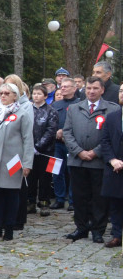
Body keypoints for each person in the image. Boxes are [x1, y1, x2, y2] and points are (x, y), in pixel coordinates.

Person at [63, 77, 119, 243]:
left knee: (98, 198)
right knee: (79, 196)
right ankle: (81, 227)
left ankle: (97, 229)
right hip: (77, 160)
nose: (91, 91)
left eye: (95, 88)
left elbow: (111, 137)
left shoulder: (111, 109)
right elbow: (67, 133)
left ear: (102, 90)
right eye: (88, 88)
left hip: (99, 162)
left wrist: (95, 152)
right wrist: (79, 151)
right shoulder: (74, 108)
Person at [0, 82, 33, 241]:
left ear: (15, 96)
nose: (3, 96)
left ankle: (9, 227)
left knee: (11, 195)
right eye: (1, 93)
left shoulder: (22, 114)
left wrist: (27, 163)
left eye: (7, 93)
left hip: (13, 161)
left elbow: (28, 140)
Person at [28, 83, 58, 216]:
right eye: (34, 93)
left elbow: (51, 130)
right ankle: (30, 202)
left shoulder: (51, 111)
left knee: (45, 177)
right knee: (31, 177)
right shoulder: (28, 109)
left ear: (45, 96)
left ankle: (44, 202)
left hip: (46, 151)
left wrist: (39, 146)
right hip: (29, 150)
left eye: (39, 94)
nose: (36, 96)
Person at [51, 76, 81, 209]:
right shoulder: (55, 105)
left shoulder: (80, 104)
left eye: (66, 86)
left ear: (74, 88)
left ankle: (73, 201)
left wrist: (66, 133)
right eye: (61, 86)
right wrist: (56, 131)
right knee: (55, 171)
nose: (62, 88)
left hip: (72, 144)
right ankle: (59, 198)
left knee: (72, 172)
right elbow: (49, 122)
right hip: (56, 144)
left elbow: (82, 124)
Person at [98, 104, 123, 248]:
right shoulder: (112, 117)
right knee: (115, 203)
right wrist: (112, 160)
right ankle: (117, 235)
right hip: (115, 167)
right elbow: (105, 141)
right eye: (121, 91)